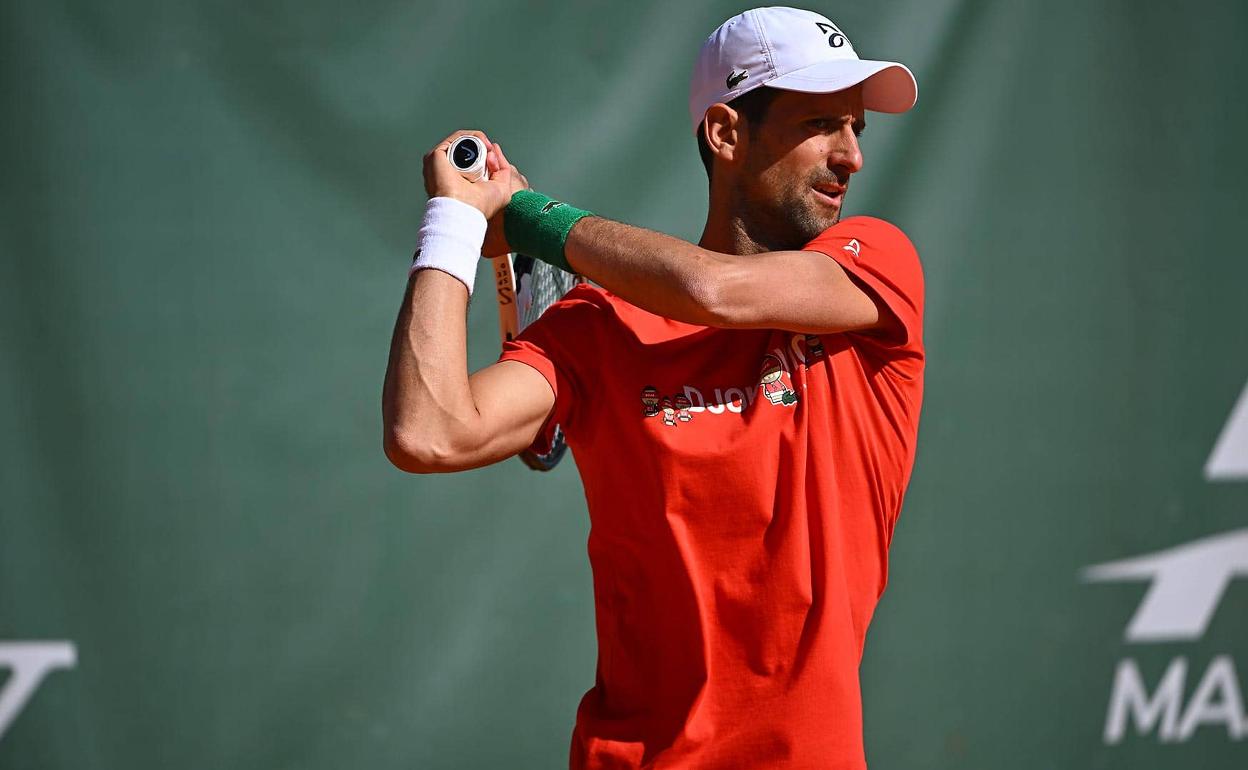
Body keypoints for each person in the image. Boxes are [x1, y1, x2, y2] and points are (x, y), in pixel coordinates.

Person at [382, 7, 923, 768]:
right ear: (726, 133)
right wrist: (455, 224)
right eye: (822, 124)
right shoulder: (598, 326)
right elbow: (428, 433)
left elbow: (714, 292)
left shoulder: (876, 269)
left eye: (857, 128)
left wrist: (529, 218)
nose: (852, 156)